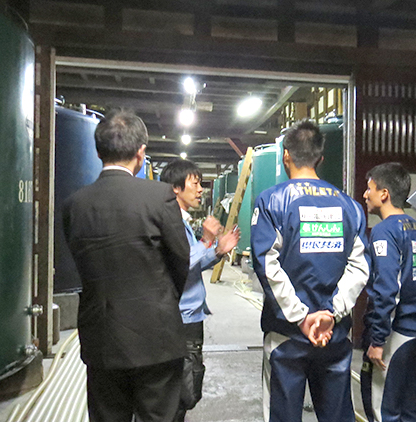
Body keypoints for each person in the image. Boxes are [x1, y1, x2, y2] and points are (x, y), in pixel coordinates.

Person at [62, 110, 190, 422]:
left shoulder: (75, 204)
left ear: (98, 152)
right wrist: (161, 300)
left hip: (101, 338)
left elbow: (80, 262)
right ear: (141, 153)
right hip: (157, 338)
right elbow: (180, 259)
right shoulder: (159, 196)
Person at [250, 120, 370, 422]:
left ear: (285, 155)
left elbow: (266, 264)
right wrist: (331, 313)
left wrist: (301, 317)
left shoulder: (271, 201)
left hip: (286, 337)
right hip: (334, 335)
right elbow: (360, 268)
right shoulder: (350, 206)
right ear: (320, 158)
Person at [160, 159, 240, 422]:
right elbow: (180, 260)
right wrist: (206, 240)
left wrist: (218, 251)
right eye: (194, 184)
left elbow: (191, 266)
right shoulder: (169, 222)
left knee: (187, 387)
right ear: (176, 188)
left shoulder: (181, 221)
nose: (200, 190)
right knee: (180, 388)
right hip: (180, 318)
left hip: (190, 315)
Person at [360, 162, 416, 422]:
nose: (365, 194)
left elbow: (387, 290)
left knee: (383, 410)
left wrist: (378, 340)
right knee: (409, 408)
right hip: (415, 331)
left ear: (384, 194)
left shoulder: (384, 231)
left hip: (394, 335)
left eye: (369, 189)